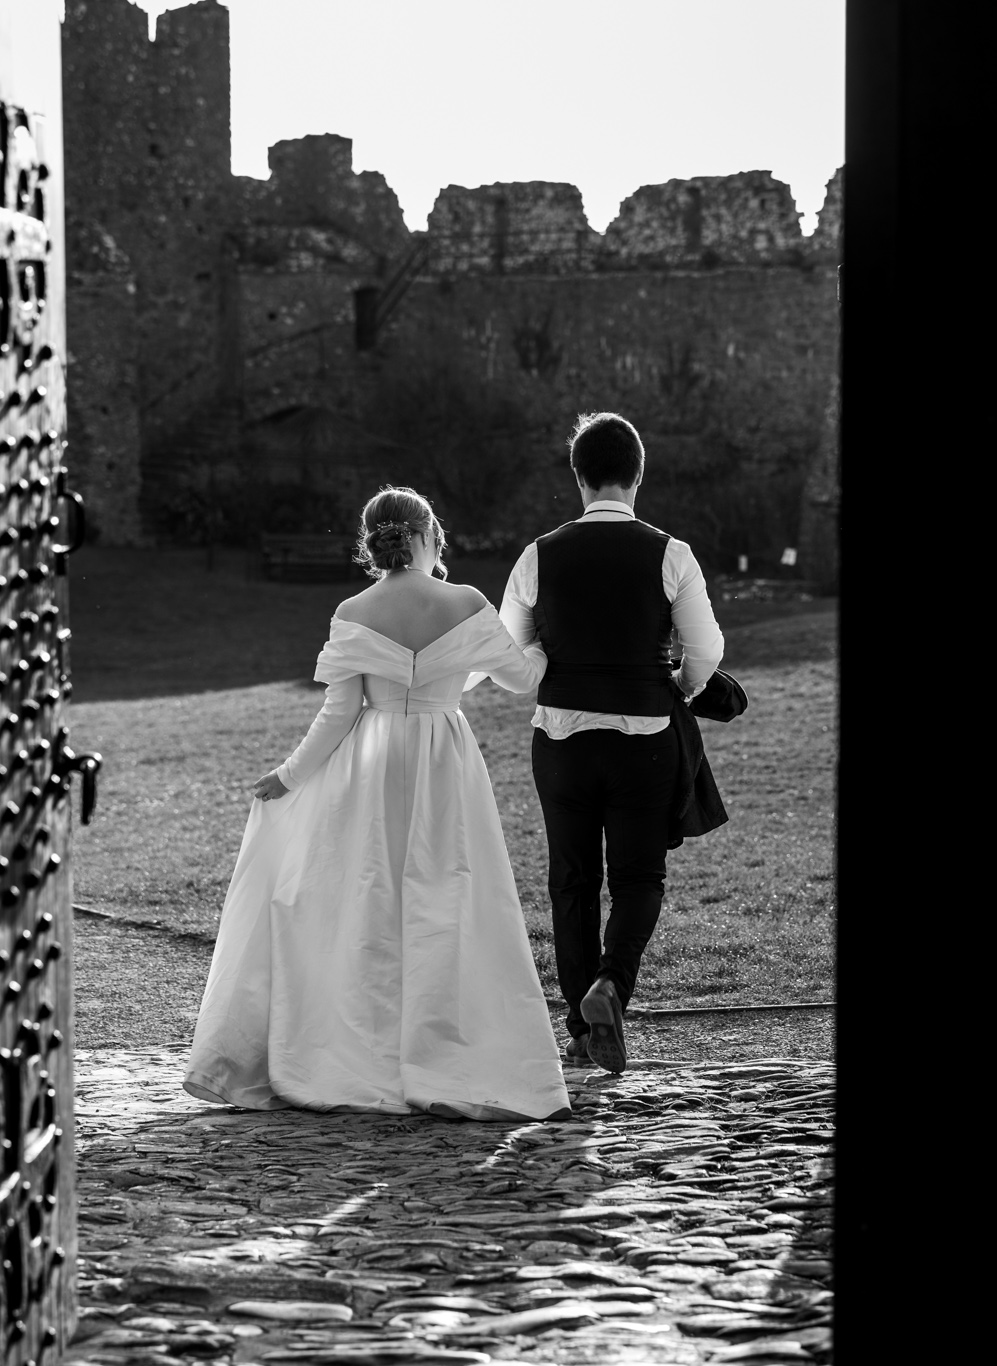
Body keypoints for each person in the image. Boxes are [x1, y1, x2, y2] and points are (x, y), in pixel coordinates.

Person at [183, 487, 571, 1122]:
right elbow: (523, 680)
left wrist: (288, 775)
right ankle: (445, 1051)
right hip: (444, 760)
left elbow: (340, 713)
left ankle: (360, 1051)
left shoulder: (354, 609)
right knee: (447, 898)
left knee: (371, 900)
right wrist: (535, 645)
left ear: (372, 543)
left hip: (374, 764)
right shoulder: (467, 603)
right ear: (429, 535)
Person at [500, 413, 725, 1074]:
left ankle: (578, 1028)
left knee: (572, 880)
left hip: (561, 739)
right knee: (638, 876)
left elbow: (512, 652)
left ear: (577, 477)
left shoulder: (538, 553)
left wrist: (557, 663)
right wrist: (680, 686)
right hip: (644, 739)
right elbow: (705, 649)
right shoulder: (670, 553)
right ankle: (611, 988)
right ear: (638, 474)